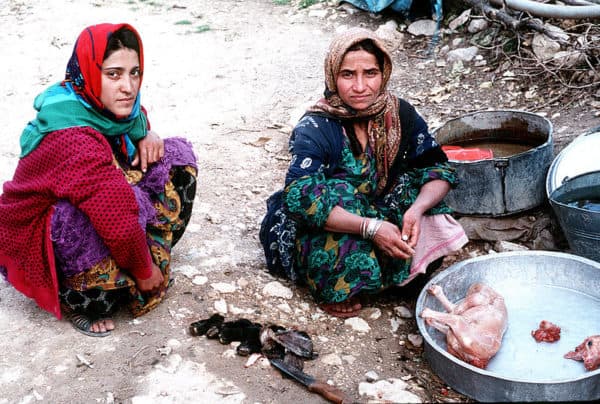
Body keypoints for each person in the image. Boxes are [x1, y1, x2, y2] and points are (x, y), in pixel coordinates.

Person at [0, 23, 197, 336]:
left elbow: (136, 115)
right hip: (38, 233)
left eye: (135, 72)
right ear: (90, 74)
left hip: (94, 199)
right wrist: (145, 272)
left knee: (173, 157)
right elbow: (115, 213)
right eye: (114, 74)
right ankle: (77, 300)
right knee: (92, 222)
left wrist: (146, 134)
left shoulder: (101, 106)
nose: (128, 87)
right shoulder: (72, 133)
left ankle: (131, 265)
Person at [260, 28, 467, 318]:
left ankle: (387, 276)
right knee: (340, 193)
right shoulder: (315, 127)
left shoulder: (400, 114)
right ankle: (345, 283)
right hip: (335, 222)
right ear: (333, 76)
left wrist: (416, 211)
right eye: (347, 75)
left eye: (370, 73)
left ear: (384, 73)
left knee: (426, 202)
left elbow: (437, 166)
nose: (360, 86)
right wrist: (370, 228)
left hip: (378, 210)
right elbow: (301, 198)